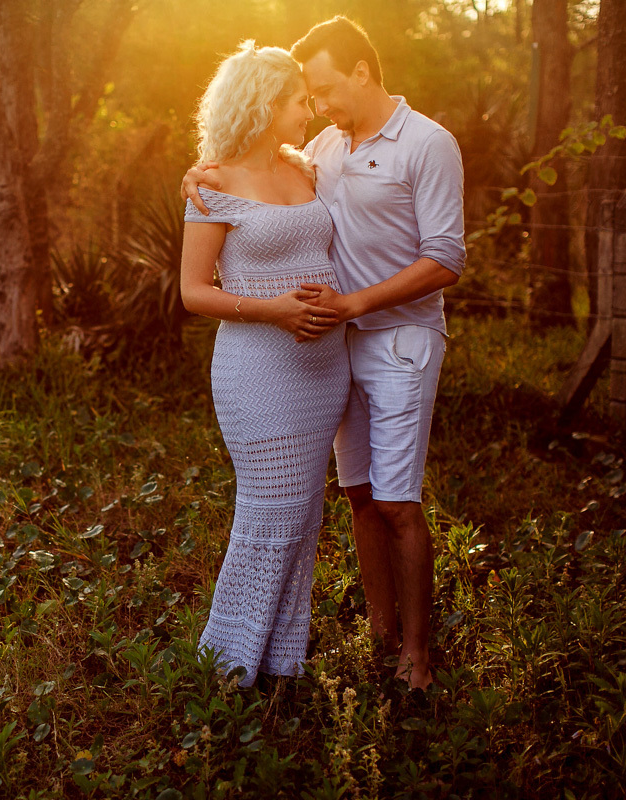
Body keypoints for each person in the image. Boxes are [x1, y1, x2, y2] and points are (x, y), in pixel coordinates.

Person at [184, 17, 465, 691]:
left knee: (374, 504)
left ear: (361, 73)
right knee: (322, 500)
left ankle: (393, 657)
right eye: (303, 97)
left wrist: (348, 306)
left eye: (322, 91)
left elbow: (446, 257)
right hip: (296, 358)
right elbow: (203, 267)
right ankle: (282, 650)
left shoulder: (404, 146)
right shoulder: (319, 149)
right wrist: (199, 173)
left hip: (374, 347)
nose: (314, 107)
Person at [179, 41, 351, 688]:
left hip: (324, 370)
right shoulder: (213, 183)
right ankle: (227, 661)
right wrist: (273, 310)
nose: (309, 111)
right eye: (299, 101)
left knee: (304, 514)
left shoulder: (307, 168)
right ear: (264, 104)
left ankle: (281, 658)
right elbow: (193, 292)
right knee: (270, 508)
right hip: (257, 371)